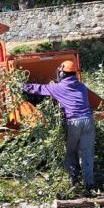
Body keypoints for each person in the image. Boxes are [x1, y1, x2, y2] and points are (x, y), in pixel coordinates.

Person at [22, 60, 97, 190]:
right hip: (89, 120)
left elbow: (39, 89)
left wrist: (20, 86)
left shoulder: (58, 87)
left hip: (74, 122)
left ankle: (73, 180)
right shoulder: (82, 86)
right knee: (86, 152)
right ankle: (89, 184)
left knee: (70, 151)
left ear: (62, 74)